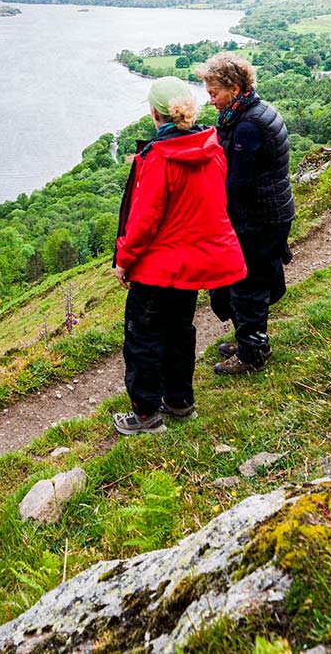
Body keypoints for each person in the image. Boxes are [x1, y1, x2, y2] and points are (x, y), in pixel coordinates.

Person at [111, 76, 246, 434]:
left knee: (143, 337)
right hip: (191, 267)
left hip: (156, 268)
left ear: (154, 113)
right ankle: (180, 403)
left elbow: (143, 221)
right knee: (180, 333)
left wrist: (123, 260)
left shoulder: (159, 158)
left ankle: (146, 415)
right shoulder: (211, 149)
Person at [195, 53, 296, 376]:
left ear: (235, 89)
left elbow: (237, 183)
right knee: (251, 280)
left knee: (246, 284)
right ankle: (252, 342)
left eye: (214, 93)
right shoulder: (252, 113)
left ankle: (252, 354)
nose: (210, 100)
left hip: (259, 218)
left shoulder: (249, 126)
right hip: (272, 212)